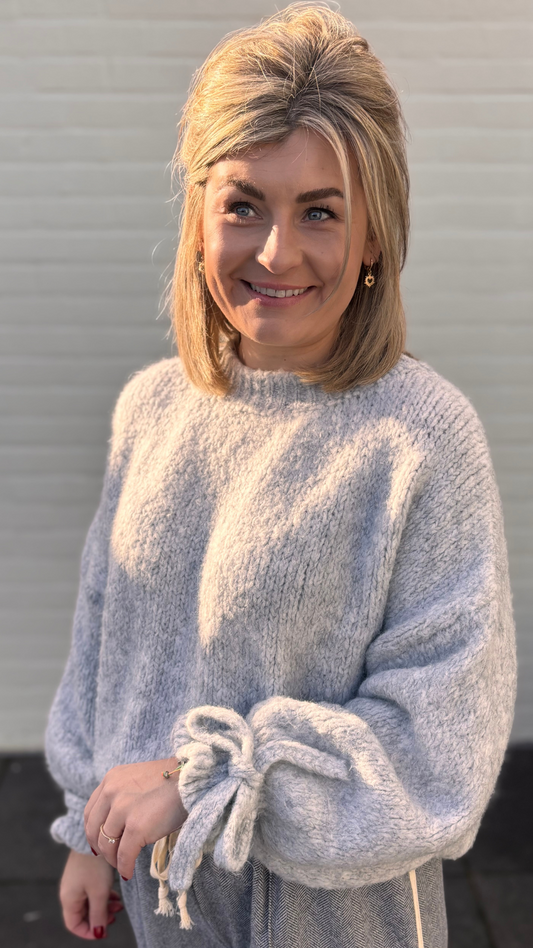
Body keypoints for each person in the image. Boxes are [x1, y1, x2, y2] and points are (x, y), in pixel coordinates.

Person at [45, 4, 516, 947]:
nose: (275, 252)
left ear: (374, 236)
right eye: (244, 205)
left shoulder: (420, 441)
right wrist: (85, 824)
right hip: (167, 911)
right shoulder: (152, 409)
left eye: (319, 212)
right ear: (199, 217)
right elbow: (104, 645)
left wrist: (206, 781)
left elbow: (439, 750)